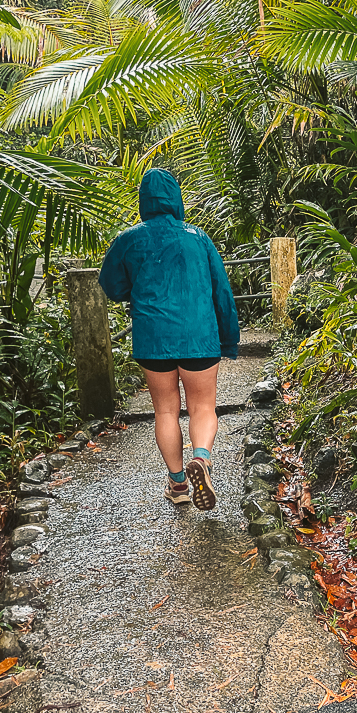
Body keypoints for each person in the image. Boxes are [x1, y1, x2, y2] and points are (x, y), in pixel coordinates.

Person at [99, 168, 239, 510]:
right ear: (176, 197)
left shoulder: (127, 239)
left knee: (165, 410)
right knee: (203, 406)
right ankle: (202, 459)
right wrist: (229, 338)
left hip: (153, 338)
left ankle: (178, 485)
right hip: (198, 336)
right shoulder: (198, 237)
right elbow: (222, 292)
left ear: (144, 201)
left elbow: (111, 286)